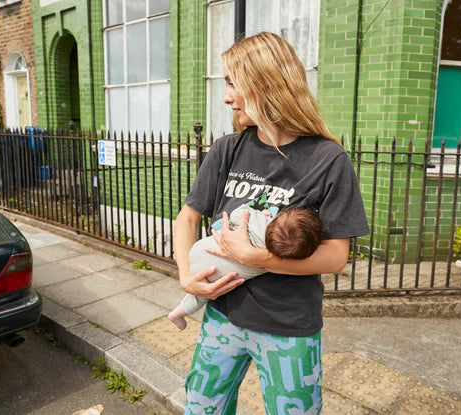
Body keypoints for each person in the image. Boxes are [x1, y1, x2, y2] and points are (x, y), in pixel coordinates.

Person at [172, 32, 369, 414]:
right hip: (222, 316)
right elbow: (188, 216)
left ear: (266, 84)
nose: (227, 97)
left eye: (233, 84)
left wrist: (255, 256)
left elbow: (334, 258)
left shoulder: (328, 159)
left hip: (288, 326)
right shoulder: (228, 148)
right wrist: (185, 277)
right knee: (201, 409)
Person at [168, 204, 323, 330]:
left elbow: (239, 213)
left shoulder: (261, 223)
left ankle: (177, 312)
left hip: (201, 251)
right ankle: (179, 313)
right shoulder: (275, 262)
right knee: (202, 294)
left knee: (201, 287)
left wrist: (263, 213)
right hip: (216, 276)